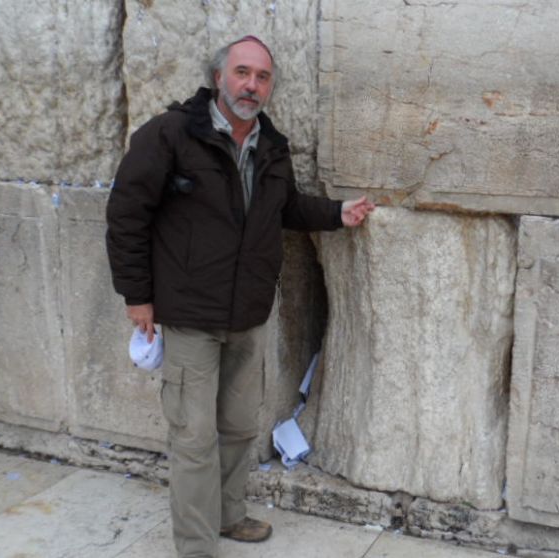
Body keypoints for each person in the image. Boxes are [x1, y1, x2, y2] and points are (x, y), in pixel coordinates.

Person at [105, 35, 374, 558]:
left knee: (237, 426)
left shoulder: (271, 144)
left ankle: (229, 515)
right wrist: (136, 296)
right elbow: (126, 216)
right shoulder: (169, 135)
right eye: (242, 72)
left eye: (262, 76)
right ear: (219, 77)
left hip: (249, 313)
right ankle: (196, 544)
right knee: (193, 434)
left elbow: (285, 207)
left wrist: (336, 214)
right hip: (189, 314)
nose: (251, 85)